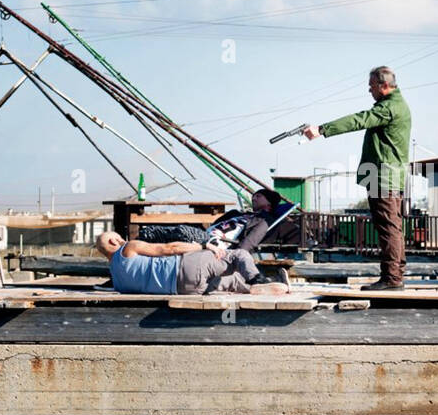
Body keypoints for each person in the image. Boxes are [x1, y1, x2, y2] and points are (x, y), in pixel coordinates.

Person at [304, 65, 411, 290]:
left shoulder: (388, 108)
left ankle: (392, 278)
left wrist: (322, 129)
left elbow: (358, 120)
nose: (369, 90)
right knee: (394, 228)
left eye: (372, 85)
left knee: (388, 229)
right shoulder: (396, 105)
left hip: (383, 177)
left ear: (384, 86)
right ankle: (395, 275)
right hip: (390, 177)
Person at [93, 231, 289, 295]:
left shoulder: (117, 279)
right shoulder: (128, 248)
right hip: (184, 267)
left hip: (184, 289)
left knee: (230, 281)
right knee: (236, 255)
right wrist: (204, 246)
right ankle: (258, 281)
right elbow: (169, 248)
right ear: (113, 241)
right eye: (119, 235)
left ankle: (275, 287)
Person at [135, 188, 299, 251]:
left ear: (269, 202)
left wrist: (236, 256)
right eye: (253, 195)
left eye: (259, 196)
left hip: (214, 243)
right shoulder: (237, 213)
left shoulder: (264, 220)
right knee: (150, 232)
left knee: (178, 231)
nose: (254, 198)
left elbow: (249, 242)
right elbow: (214, 226)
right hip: (205, 235)